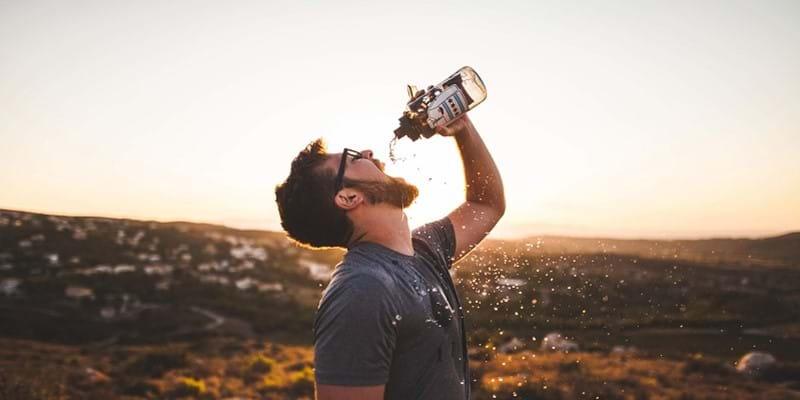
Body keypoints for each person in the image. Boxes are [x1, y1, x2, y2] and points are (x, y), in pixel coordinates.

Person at [274, 114, 504, 400]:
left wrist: (463, 129)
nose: (369, 153)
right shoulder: (361, 291)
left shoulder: (424, 249)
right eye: (354, 158)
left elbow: (486, 204)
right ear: (347, 197)